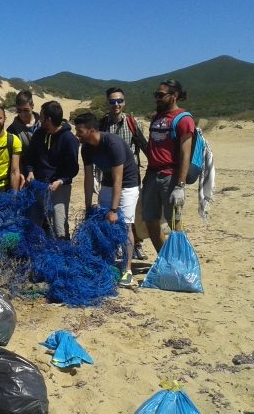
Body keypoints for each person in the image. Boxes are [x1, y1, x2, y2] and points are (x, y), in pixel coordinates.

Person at [75, 112, 139, 287]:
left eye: (80, 131)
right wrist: (88, 206)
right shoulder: (86, 148)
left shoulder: (113, 143)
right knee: (103, 225)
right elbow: (88, 179)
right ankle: (108, 264)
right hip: (107, 184)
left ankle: (127, 270)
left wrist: (113, 210)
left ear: (92, 130)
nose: (77, 135)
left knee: (125, 225)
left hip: (127, 185)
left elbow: (119, 179)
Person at [142, 79, 194, 253]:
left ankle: (180, 264)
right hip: (151, 176)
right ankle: (164, 259)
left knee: (174, 223)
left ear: (174, 96)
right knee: (150, 220)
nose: (157, 98)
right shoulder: (157, 117)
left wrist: (180, 186)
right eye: (155, 94)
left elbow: (185, 153)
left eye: (161, 95)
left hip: (170, 176)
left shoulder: (184, 119)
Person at [99, 87, 149, 260]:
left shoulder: (133, 123)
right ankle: (116, 247)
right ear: (108, 103)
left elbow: (144, 146)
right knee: (111, 213)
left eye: (119, 101)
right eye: (112, 101)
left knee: (131, 214)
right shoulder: (102, 124)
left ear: (124, 102)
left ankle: (137, 245)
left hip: (130, 176)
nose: (116, 104)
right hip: (107, 176)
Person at [25, 101, 80, 240]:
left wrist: (61, 181)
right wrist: (30, 172)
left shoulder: (69, 139)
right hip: (38, 187)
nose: (39, 120)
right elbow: (30, 157)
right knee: (34, 224)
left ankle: (63, 254)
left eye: (42, 117)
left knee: (58, 227)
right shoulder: (38, 134)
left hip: (59, 189)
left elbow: (73, 169)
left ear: (48, 119)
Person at [7, 90, 40, 186]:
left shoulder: (43, 123)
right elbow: (16, 158)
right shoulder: (12, 130)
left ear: (32, 106)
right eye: (19, 111)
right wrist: (21, 174)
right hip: (25, 175)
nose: (22, 114)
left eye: (26, 110)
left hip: (44, 172)